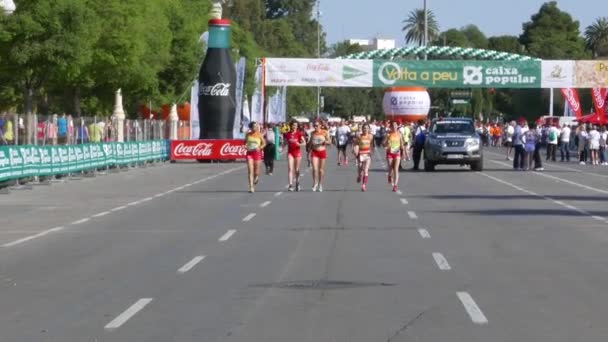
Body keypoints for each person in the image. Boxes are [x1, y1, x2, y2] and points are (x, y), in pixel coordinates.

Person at [283, 121, 307, 192]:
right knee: (290, 168)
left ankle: (297, 182)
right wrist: (280, 149)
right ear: (291, 126)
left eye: (296, 125)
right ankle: (290, 185)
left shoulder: (299, 133)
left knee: (297, 169)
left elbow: (304, 143)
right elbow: (285, 143)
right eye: (293, 125)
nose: (295, 127)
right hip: (290, 153)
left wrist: (299, 144)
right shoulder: (287, 134)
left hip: (297, 153)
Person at [244, 122, 265, 193]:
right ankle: (251, 187)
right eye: (254, 127)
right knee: (250, 171)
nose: (255, 128)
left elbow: (264, 143)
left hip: (257, 154)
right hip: (249, 153)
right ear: (251, 127)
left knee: (256, 171)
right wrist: (245, 145)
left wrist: (260, 147)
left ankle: (256, 177)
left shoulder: (259, 134)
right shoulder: (248, 135)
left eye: (256, 127)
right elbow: (245, 142)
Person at [309, 121, 330, 192]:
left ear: (320, 125)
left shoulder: (325, 132)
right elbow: (310, 142)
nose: (315, 127)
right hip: (314, 152)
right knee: (314, 169)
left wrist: (324, 142)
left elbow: (329, 141)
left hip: (322, 152)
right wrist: (309, 148)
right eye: (314, 125)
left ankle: (320, 184)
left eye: (317, 125)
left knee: (321, 170)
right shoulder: (312, 133)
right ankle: (315, 183)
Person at [353, 123, 374, 191]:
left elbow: (371, 145)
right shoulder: (359, 136)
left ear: (369, 129)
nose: (365, 130)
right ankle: (359, 176)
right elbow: (356, 144)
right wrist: (355, 150)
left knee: (365, 170)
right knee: (360, 168)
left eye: (367, 128)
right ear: (362, 129)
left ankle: (363, 185)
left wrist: (371, 151)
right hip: (361, 154)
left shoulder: (371, 136)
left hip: (367, 155)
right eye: (364, 128)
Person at [383, 121, 404, 192]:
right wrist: (386, 145)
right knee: (390, 167)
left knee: (396, 169)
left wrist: (403, 152)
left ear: (397, 127)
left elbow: (401, 144)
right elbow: (383, 143)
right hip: (390, 153)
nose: (394, 127)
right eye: (393, 126)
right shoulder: (388, 134)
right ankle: (389, 175)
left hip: (397, 153)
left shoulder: (399, 134)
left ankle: (395, 185)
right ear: (391, 127)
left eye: (395, 126)